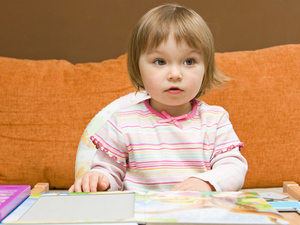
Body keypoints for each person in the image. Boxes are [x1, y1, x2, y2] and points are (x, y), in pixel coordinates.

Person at [69, 3, 248, 193]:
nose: (175, 74)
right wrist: (99, 178)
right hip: (141, 217)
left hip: (198, 215)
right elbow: (110, 172)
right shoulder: (122, 122)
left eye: (189, 61)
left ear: (206, 68)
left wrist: (206, 183)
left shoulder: (215, 121)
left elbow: (234, 168)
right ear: (138, 68)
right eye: (160, 62)